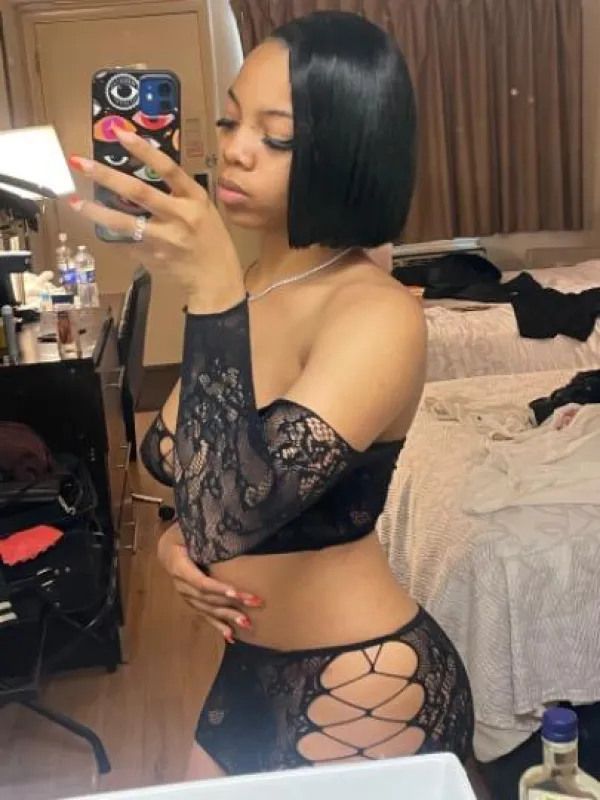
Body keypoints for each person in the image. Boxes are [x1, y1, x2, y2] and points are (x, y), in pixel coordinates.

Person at [68, 9, 474, 779]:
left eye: (275, 136)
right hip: (247, 669)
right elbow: (190, 475)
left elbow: (229, 510)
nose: (233, 149)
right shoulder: (252, 283)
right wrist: (174, 544)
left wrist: (211, 294)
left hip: (364, 680)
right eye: (229, 121)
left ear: (348, 147)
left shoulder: (376, 312)